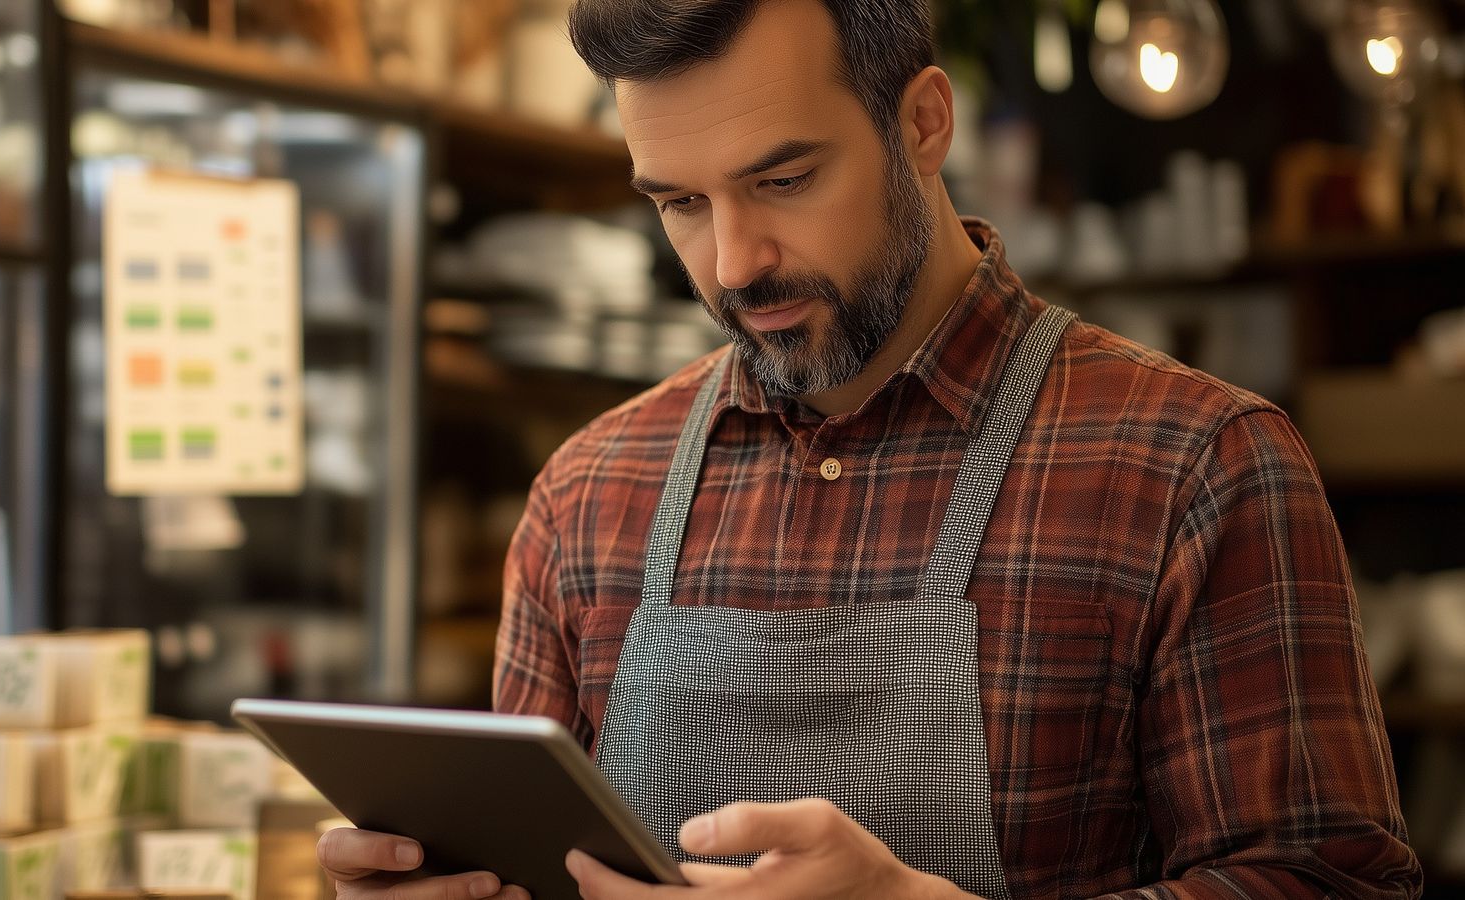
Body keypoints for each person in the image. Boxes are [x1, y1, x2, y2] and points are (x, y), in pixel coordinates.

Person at [316, 0, 1422, 896]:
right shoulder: (591, 490)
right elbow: (532, 864)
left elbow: (1330, 882)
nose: (736, 262)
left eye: (783, 180)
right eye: (679, 204)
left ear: (924, 123)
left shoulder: (1196, 466)